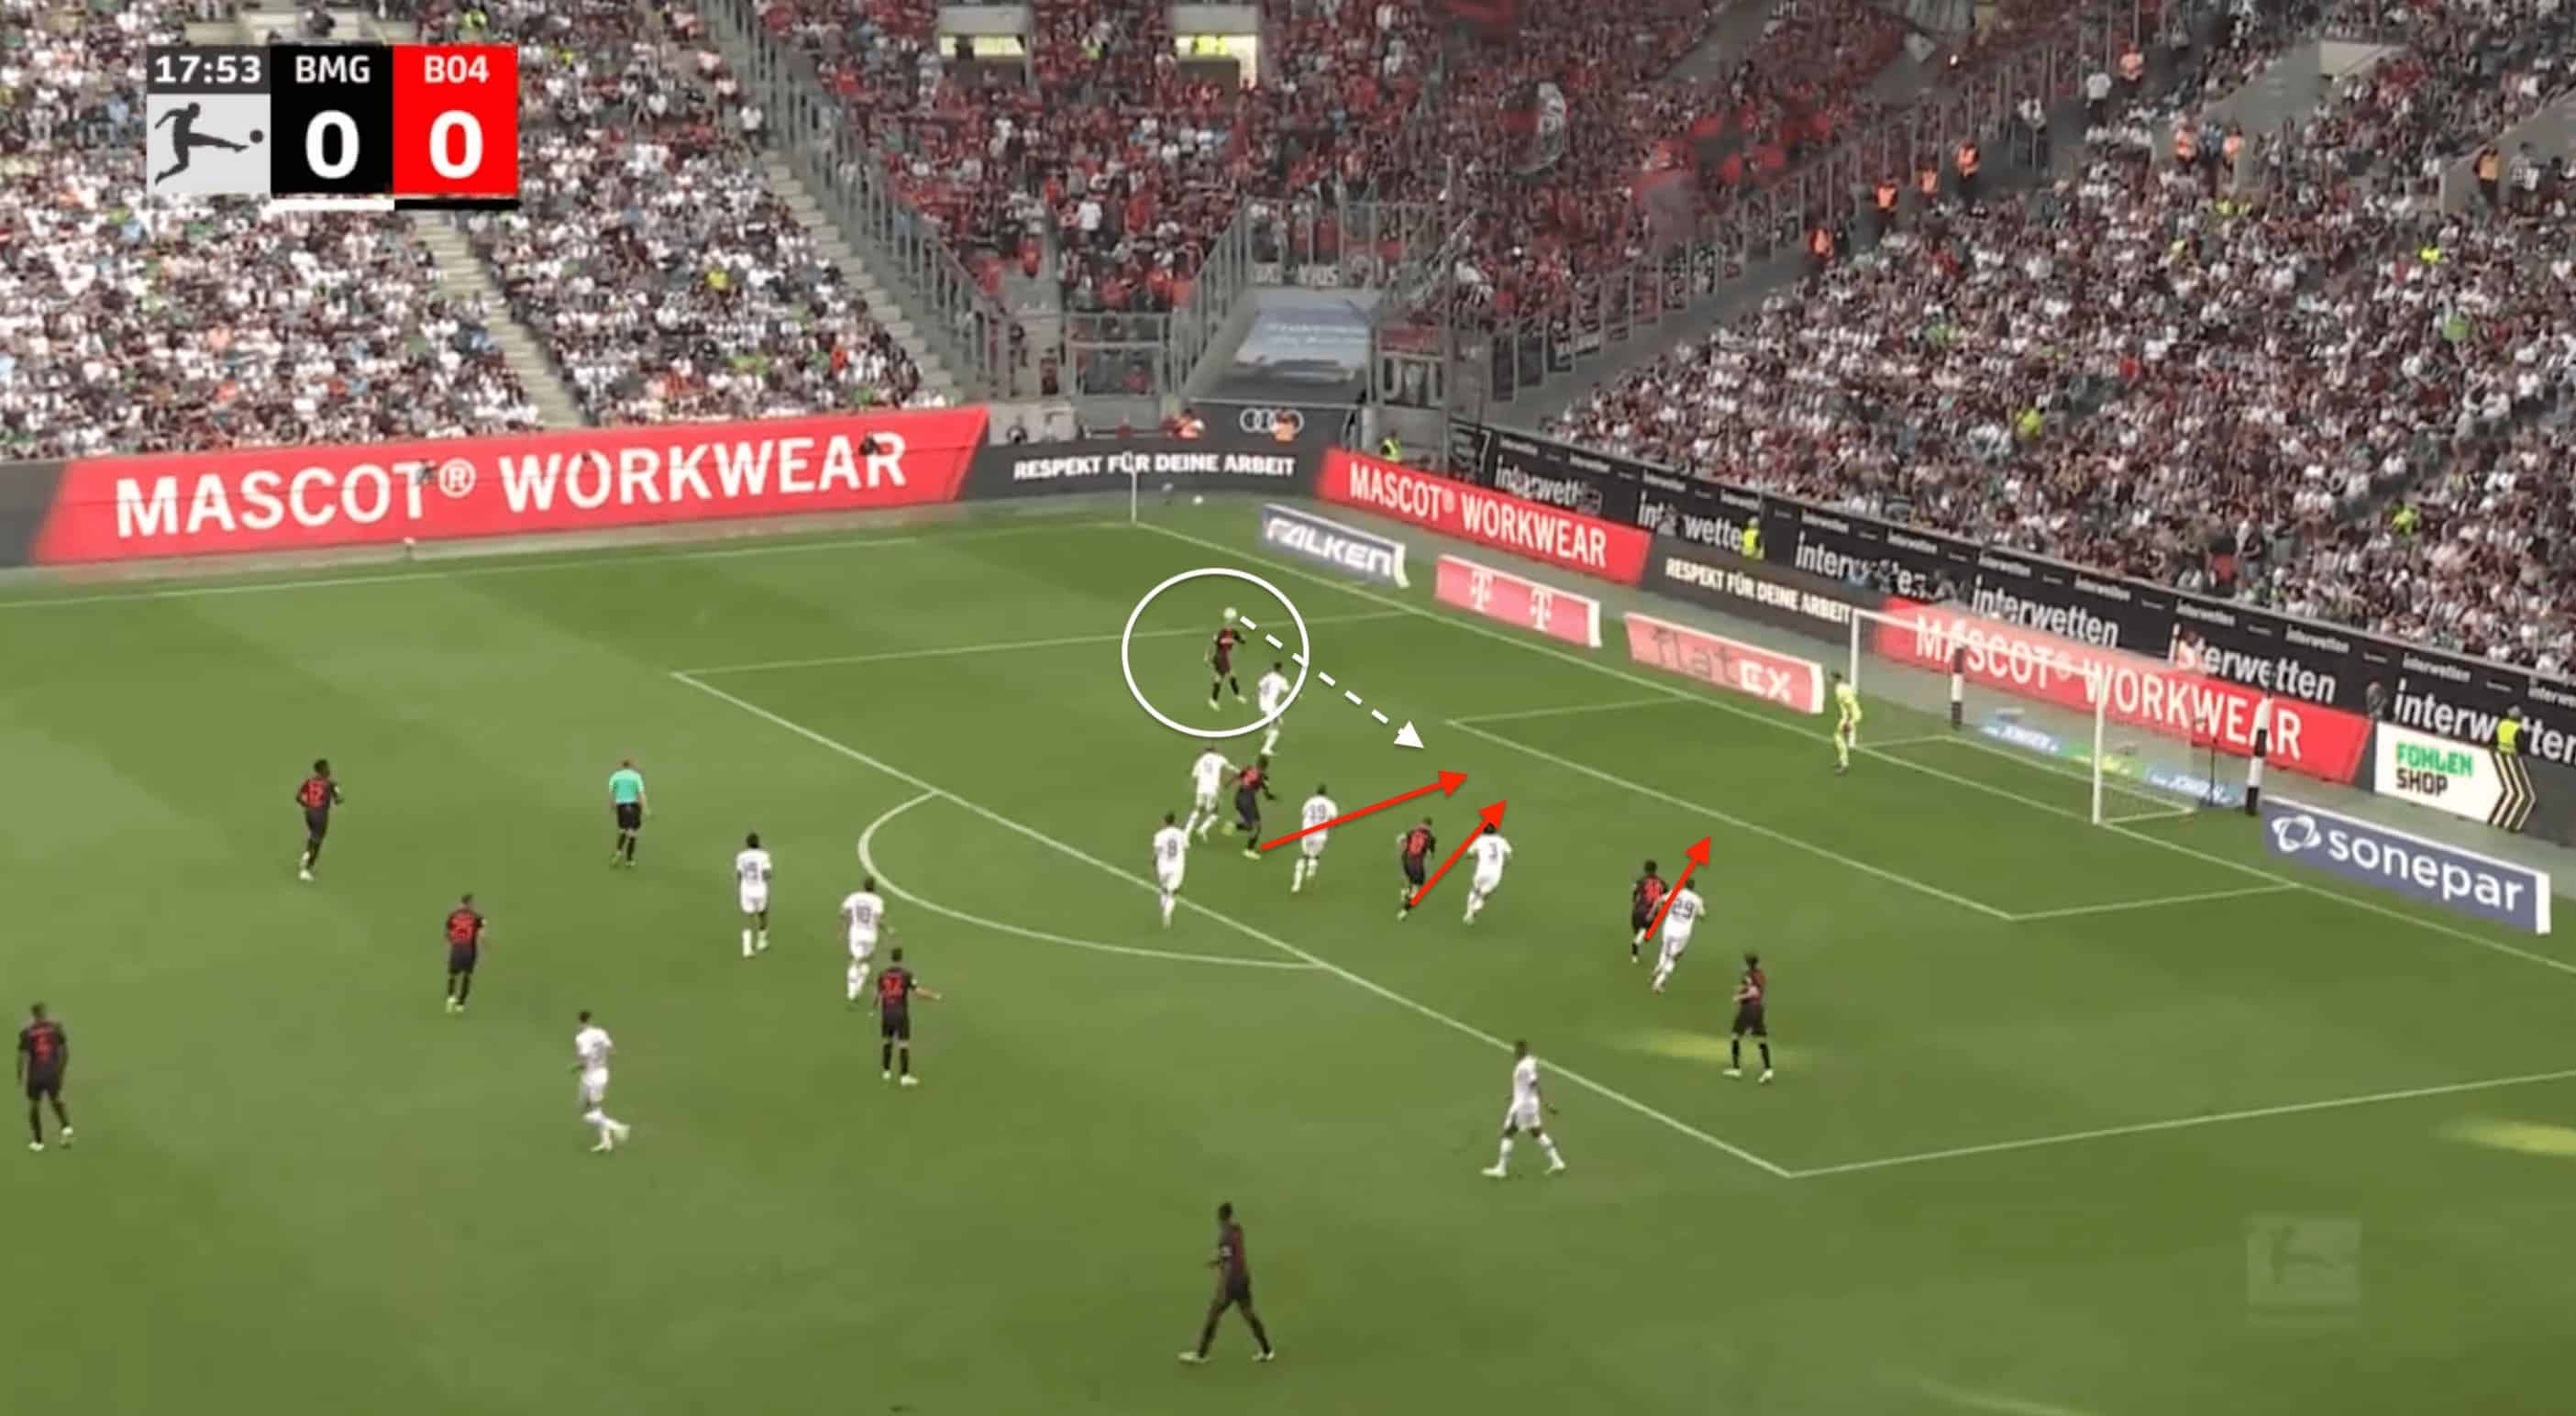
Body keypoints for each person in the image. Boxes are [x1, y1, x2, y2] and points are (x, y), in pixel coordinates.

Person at [1178, 1201, 1276, 1364]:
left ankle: (1201, 1355)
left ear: (1220, 1217)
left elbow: (1229, 1263)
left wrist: (1222, 1288)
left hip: (1232, 1283)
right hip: (1244, 1278)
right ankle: (1267, 1350)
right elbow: (1232, 1255)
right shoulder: (1237, 1230)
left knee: (1213, 1315)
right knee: (1249, 1314)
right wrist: (1217, 1262)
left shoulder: (1224, 1237)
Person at [1482, 1040, 1565, 1178]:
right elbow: (1525, 1084)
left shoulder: (1524, 1067)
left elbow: (1534, 1084)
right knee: (1537, 1132)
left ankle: (1501, 1169)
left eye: (1516, 1050)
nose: (1514, 1052)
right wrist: (1514, 1094)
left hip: (1523, 1106)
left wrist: (1547, 1104)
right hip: (1531, 1105)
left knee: (1508, 1133)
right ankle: (1557, 1162)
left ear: (1521, 1051)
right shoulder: (1530, 1061)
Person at [875, 947, 941, 1085]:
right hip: (900, 1013)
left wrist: (874, 1007)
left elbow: (879, 994)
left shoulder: (882, 975)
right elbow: (917, 992)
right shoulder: (906, 974)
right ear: (901, 958)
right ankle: (904, 1076)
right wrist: (934, 996)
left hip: (887, 1013)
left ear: (891, 957)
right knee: (903, 1044)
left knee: (887, 1041)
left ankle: (886, 1071)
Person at [571, 1011, 632, 1153]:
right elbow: (612, 1052)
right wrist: (600, 1056)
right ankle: (606, 1142)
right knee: (596, 1110)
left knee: (585, 1112)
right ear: (591, 1020)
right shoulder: (601, 1033)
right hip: (603, 1075)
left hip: (590, 1079)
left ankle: (617, 1127)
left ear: (580, 1022)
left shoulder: (581, 1038)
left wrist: (574, 1067)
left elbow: (584, 1062)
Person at [18, 1004, 70, 1152]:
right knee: (56, 1100)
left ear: (33, 1015)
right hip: (52, 1073)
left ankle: (38, 1142)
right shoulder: (56, 1028)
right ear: (44, 1013)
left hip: (36, 1075)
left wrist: (19, 1075)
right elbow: (65, 1052)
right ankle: (66, 1128)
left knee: (34, 1106)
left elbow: (21, 1057)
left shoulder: (27, 1032)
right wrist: (61, 1071)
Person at [1651, 877, 1705, 994]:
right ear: (1693, 887)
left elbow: (1660, 900)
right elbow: (1702, 914)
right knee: (1674, 956)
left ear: (1685, 885)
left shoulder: (1675, 892)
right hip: (1682, 932)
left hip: (1669, 927)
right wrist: (1698, 915)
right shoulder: (1697, 899)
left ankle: (1659, 967)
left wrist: (1655, 911)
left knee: (1665, 949)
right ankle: (1658, 982)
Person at [840, 876, 890, 1003]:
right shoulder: (877, 900)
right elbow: (878, 920)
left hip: (856, 933)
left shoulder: (854, 897)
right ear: (874, 887)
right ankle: (859, 987)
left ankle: (852, 992)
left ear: (863, 885)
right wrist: (887, 929)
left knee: (854, 960)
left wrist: (846, 925)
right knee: (866, 961)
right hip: (870, 935)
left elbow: (843, 912)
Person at [1726, 954, 1774, 1083]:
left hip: (1748, 1009)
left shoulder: (1749, 975)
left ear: (1748, 964)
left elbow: (1754, 992)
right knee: (1761, 1039)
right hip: (1758, 1009)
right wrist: (1742, 988)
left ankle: (1736, 1069)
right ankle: (1768, 1070)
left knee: (1735, 1036)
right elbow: (1756, 988)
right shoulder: (1760, 974)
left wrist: (1739, 997)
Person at [295, 758, 344, 882]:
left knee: (313, 836)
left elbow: (298, 797)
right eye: (327, 768)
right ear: (322, 770)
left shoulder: (309, 781)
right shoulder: (330, 783)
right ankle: (305, 869)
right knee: (317, 841)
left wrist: (308, 805)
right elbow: (339, 800)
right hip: (321, 815)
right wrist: (337, 798)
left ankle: (307, 856)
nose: (329, 770)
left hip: (309, 814)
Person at [1461, 823, 1512, 924]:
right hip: (1495, 874)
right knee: (1484, 895)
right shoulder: (1501, 840)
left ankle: (1469, 913)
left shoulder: (1480, 840)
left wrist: (1474, 857)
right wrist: (1503, 865)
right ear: (1495, 831)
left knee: (1475, 890)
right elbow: (1509, 855)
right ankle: (1474, 911)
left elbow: (1469, 854)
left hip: (1481, 871)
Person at [444, 894, 485, 1015]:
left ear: (461, 903)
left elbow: (448, 934)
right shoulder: (477, 917)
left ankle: (451, 997)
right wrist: (486, 945)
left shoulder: (453, 915)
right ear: (471, 904)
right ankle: (461, 1004)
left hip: (456, 949)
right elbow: (482, 935)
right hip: (469, 951)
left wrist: (451, 943)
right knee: (467, 976)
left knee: (453, 975)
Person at [1227, 756, 1276, 857]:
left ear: (1257, 763)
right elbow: (1267, 794)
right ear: (1266, 766)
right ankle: (1248, 850)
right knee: (1256, 827)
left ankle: (1234, 826)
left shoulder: (1248, 768)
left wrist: (1227, 784)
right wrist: (1272, 797)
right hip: (1247, 800)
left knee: (1253, 825)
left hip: (1239, 798)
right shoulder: (1263, 776)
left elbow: (1237, 777)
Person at [1291, 785, 1336, 894]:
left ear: (1316, 792)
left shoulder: (1309, 801)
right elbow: (1334, 818)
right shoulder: (1330, 804)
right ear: (1325, 793)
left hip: (1307, 833)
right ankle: (1312, 865)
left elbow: (1303, 813)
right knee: (1314, 855)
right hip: (1320, 835)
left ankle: (1296, 885)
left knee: (1303, 856)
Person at [735, 831, 773, 958]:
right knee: (763, 913)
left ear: (747, 843)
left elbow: (739, 875)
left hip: (746, 890)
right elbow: (767, 874)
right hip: (760, 889)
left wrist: (741, 886)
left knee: (748, 917)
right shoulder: (764, 855)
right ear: (758, 843)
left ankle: (747, 948)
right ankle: (761, 942)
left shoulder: (741, 856)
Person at [1184, 743, 1233, 840]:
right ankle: (1202, 829)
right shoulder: (1219, 758)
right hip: (1212, 789)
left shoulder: (1200, 760)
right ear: (1214, 751)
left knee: (1198, 809)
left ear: (1205, 751)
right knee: (1215, 812)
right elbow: (1229, 766)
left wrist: (1198, 788)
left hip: (1201, 789)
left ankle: (1186, 832)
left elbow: (1194, 776)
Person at [608, 758, 647, 868]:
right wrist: (645, 808)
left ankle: (618, 851)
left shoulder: (615, 776)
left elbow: (611, 792)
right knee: (632, 833)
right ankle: (629, 860)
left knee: (622, 829)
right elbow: (641, 794)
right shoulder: (636, 776)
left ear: (622, 766)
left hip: (621, 807)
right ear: (631, 766)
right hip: (633, 806)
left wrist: (612, 805)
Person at [1152, 812, 1189, 928]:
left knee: (1164, 889)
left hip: (1163, 866)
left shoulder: (1159, 835)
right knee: (1173, 892)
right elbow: (1186, 847)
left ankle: (1164, 906)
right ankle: (1167, 913)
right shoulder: (1181, 833)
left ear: (1164, 821)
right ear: (1174, 821)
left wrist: (1154, 861)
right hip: (1177, 866)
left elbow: (1156, 851)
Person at [1395, 817, 1435, 919]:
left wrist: (1401, 849)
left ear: (1421, 824)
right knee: (1415, 893)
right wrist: (1427, 866)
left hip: (1406, 860)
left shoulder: (1413, 831)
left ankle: (1405, 891)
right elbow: (1430, 854)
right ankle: (1404, 911)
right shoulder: (1431, 837)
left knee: (1409, 880)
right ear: (1429, 827)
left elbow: (1399, 838)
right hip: (1417, 865)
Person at [1629, 859, 1667, 962]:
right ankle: (1639, 940)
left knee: (1639, 929)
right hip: (1651, 912)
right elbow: (1665, 898)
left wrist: (1634, 896)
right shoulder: (1662, 882)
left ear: (1645, 869)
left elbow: (1635, 894)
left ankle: (1637, 947)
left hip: (1638, 910)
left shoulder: (1641, 880)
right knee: (1645, 930)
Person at [1255, 662, 1293, 756]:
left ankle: (1268, 731)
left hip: (1262, 703)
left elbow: (1260, 685)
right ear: (1281, 669)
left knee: (1278, 720)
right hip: (1270, 706)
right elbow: (1287, 689)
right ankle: (1266, 749)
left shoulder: (1268, 676)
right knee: (1276, 730)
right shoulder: (1281, 679)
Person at [1208, 623, 1244, 708]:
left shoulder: (1234, 632)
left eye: (1230, 625)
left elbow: (1240, 640)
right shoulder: (1220, 633)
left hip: (1225, 658)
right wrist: (1207, 656)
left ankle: (1237, 696)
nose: (1229, 626)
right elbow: (1213, 645)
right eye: (1227, 625)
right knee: (1220, 678)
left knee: (1232, 676)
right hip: (1219, 657)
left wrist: (1242, 640)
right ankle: (1213, 700)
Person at [1833, 671, 1863, 773]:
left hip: (1850, 718)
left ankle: (1844, 764)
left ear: (1835, 679)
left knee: (1838, 738)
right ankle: (1842, 760)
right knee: (1841, 738)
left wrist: (1848, 721)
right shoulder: (1847, 687)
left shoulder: (1839, 690)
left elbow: (1849, 704)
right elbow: (1853, 698)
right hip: (1854, 715)